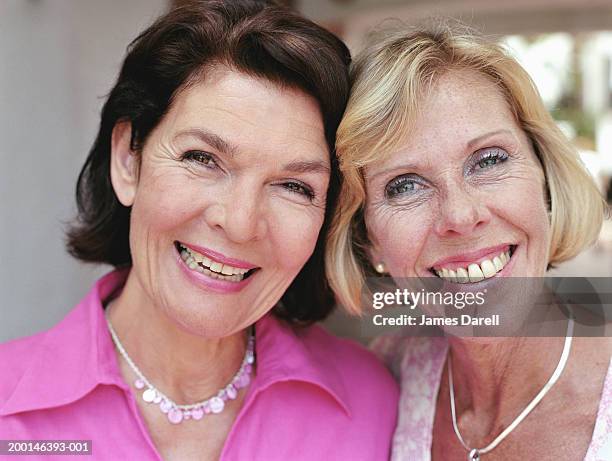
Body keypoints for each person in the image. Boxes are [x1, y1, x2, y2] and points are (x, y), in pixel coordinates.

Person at [0, 2, 398, 459]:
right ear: (129, 160)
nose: (240, 222)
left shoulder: (374, 404)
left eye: (294, 186)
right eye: (202, 159)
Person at [326, 24, 612, 460]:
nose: (460, 216)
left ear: (544, 176)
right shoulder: (391, 374)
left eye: (489, 160)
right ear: (368, 240)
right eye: (404, 186)